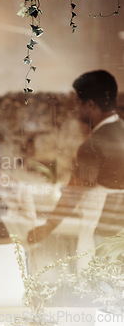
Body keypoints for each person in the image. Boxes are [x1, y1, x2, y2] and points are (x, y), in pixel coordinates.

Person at [27, 70, 124, 245]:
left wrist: (47, 227)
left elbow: (74, 193)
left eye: (79, 103)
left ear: (90, 105)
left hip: (101, 234)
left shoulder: (93, 145)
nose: (77, 109)